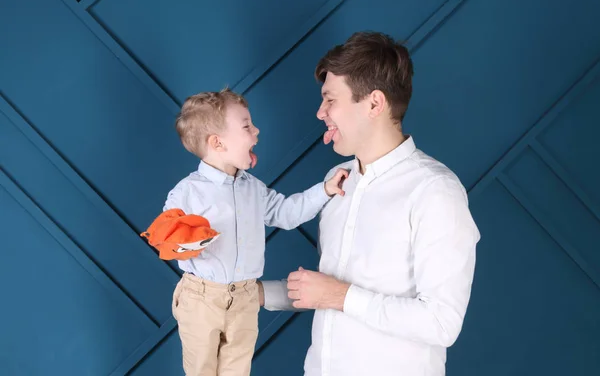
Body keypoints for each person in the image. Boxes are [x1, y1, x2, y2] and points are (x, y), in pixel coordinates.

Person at [258, 31, 481, 376]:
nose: (320, 113)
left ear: (375, 104)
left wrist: (339, 296)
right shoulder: (338, 178)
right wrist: (249, 294)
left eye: (330, 100)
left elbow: (441, 322)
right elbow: (325, 292)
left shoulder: (435, 191)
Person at [161, 88, 348, 376]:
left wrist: (324, 190)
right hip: (201, 298)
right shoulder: (187, 193)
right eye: (247, 125)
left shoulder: (254, 189)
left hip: (245, 299)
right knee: (201, 370)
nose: (257, 131)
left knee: (237, 370)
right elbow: (168, 238)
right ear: (217, 143)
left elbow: (287, 213)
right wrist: (187, 241)